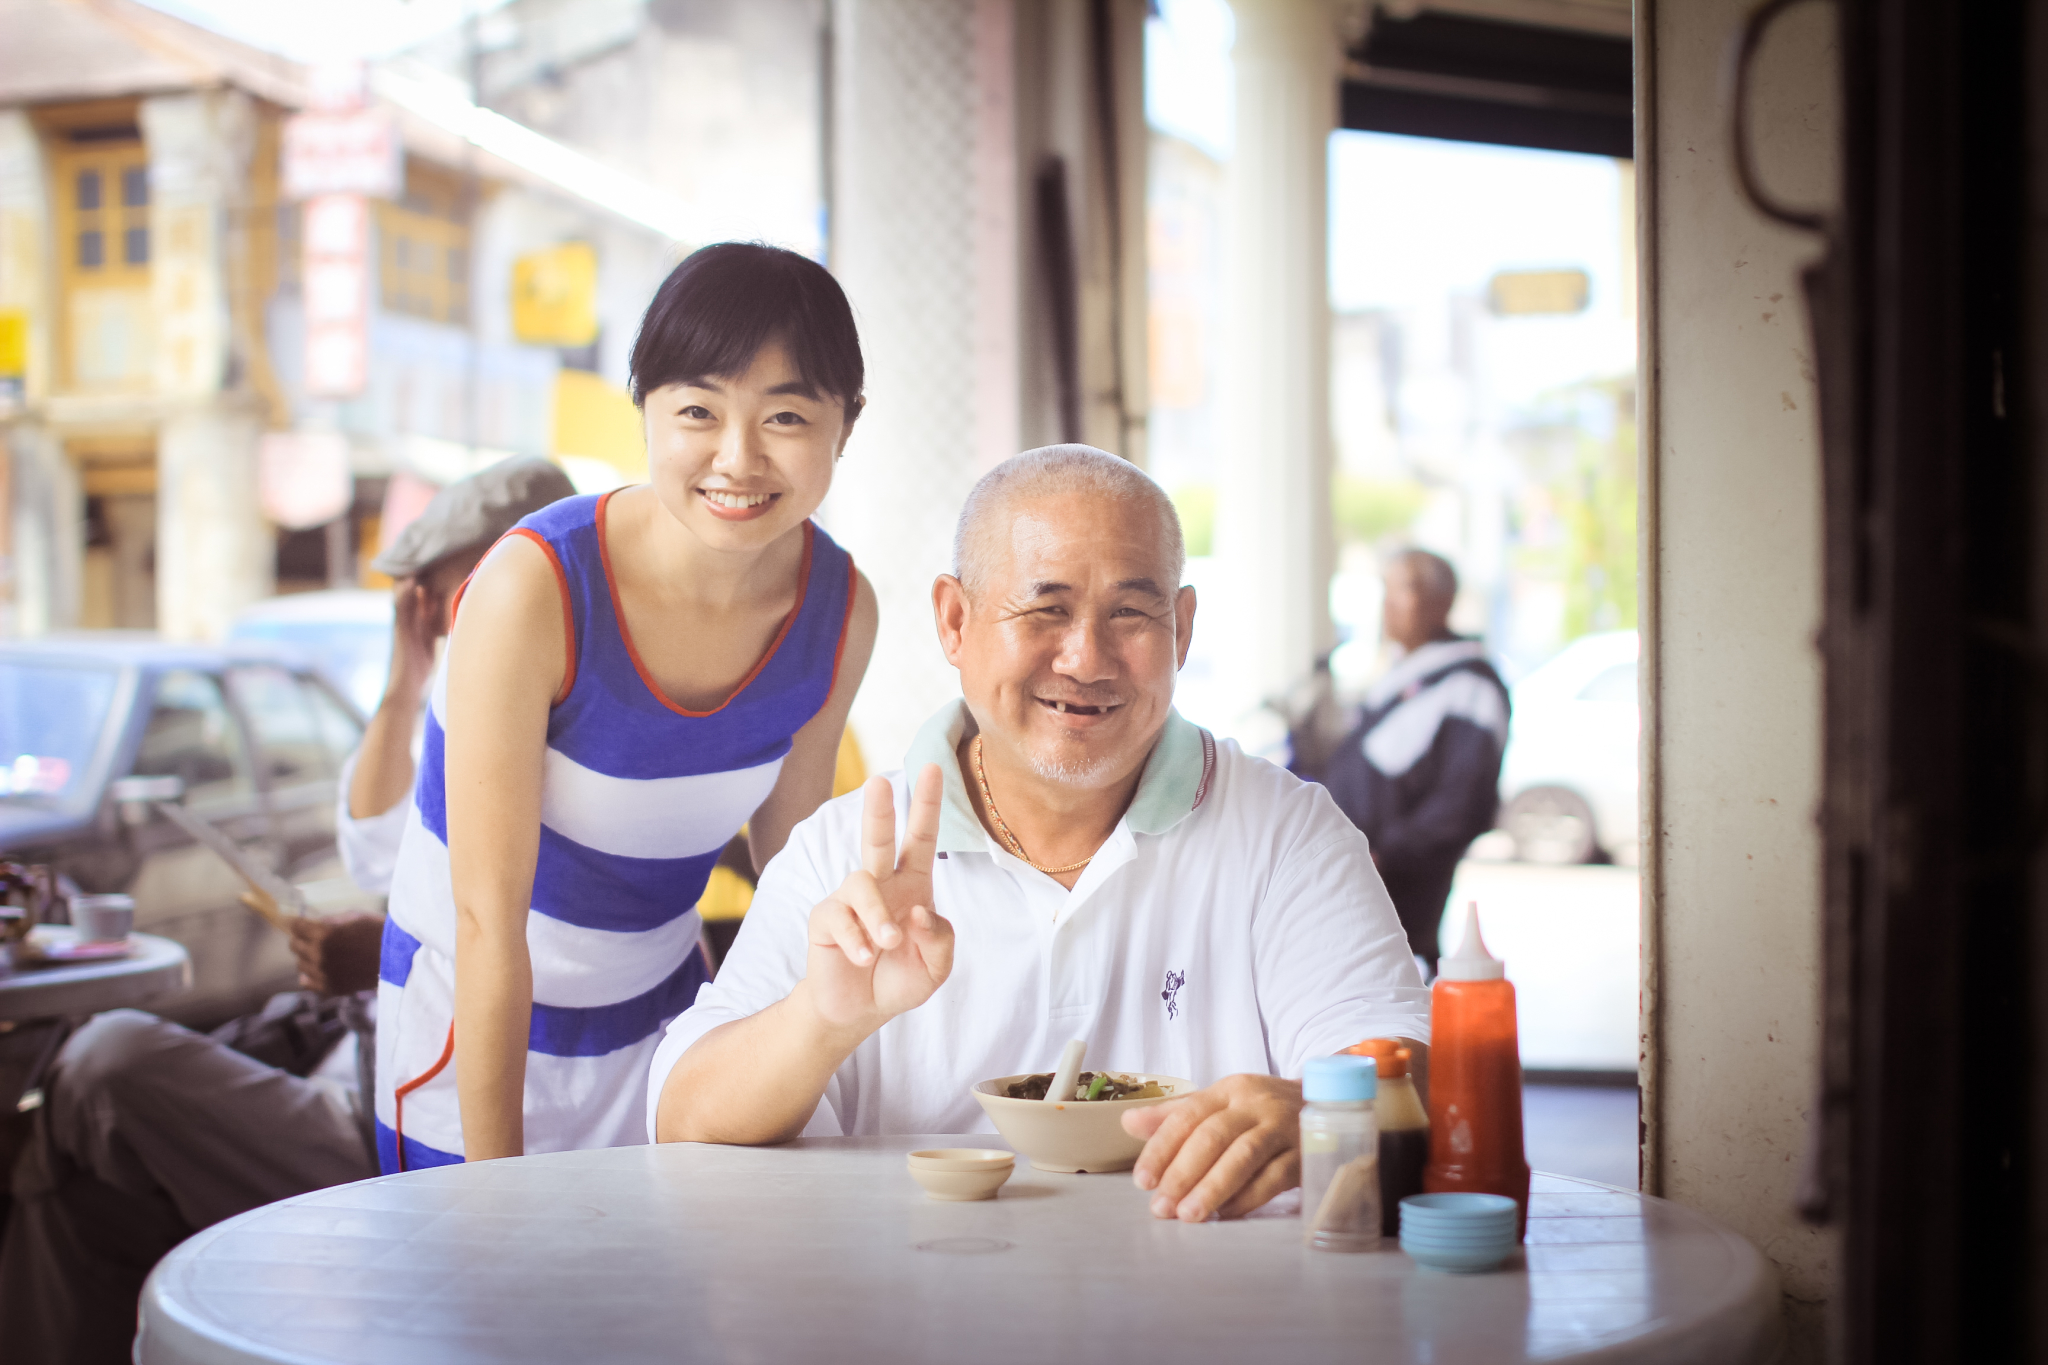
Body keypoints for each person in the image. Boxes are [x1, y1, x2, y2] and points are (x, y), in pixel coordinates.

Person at [653, 445, 1427, 1224]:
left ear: (1182, 629)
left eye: (1130, 611)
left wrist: (1311, 1110)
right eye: (1045, 608)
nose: (1086, 657)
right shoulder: (848, 850)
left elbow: (1407, 1072)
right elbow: (683, 1116)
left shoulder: (1285, 835)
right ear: (955, 621)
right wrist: (821, 1019)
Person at [0, 458, 576, 1365]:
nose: (441, 613)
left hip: (396, 1121)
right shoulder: (464, 700)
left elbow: (533, 935)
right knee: (83, 1183)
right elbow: (374, 851)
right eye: (432, 600)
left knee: (101, 1061)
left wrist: (378, 952)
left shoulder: (578, 730)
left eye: (453, 591)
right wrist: (407, 676)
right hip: (346, 1063)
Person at [375, 242, 879, 1171]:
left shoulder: (840, 610)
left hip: (668, 1022)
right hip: (473, 1040)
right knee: (500, 1312)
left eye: (787, 416)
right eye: (698, 410)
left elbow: (793, 877)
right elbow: (488, 921)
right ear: (642, 409)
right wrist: (498, 1197)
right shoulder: (536, 587)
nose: (738, 457)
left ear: (845, 424)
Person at [1319, 549, 1509, 974]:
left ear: (1442, 602)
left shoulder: (1470, 685)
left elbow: (1463, 801)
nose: (1386, 605)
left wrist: (1386, 855)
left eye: (1401, 589)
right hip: (1353, 873)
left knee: (1394, 995)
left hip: (1399, 886)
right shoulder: (1405, 675)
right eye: (1384, 590)